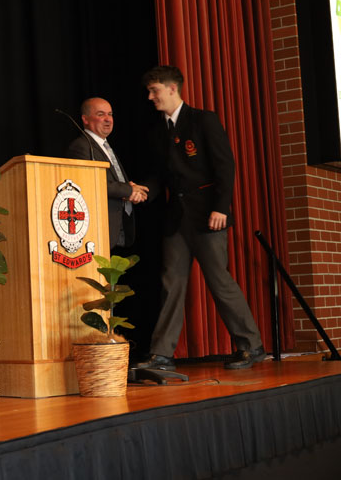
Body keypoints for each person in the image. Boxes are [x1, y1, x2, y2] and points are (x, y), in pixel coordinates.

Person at [132, 65, 265, 371]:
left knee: (219, 281)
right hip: (176, 220)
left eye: (154, 90)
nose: (150, 97)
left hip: (208, 216)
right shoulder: (157, 131)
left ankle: (251, 346)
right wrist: (142, 191)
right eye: (149, 92)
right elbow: (158, 176)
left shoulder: (203, 120)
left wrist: (221, 208)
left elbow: (225, 166)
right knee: (171, 284)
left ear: (172, 89)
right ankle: (162, 353)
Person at [66, 97, 148, 250]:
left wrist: (130, 190)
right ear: (85, 119)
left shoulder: (104, 145)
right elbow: (90, 183)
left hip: (117, 225)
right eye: (100, 114)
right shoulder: (81, 147)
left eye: (110, 114)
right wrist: (128, 190)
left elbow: (110, 179)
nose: (108, 119)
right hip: (99, 227)